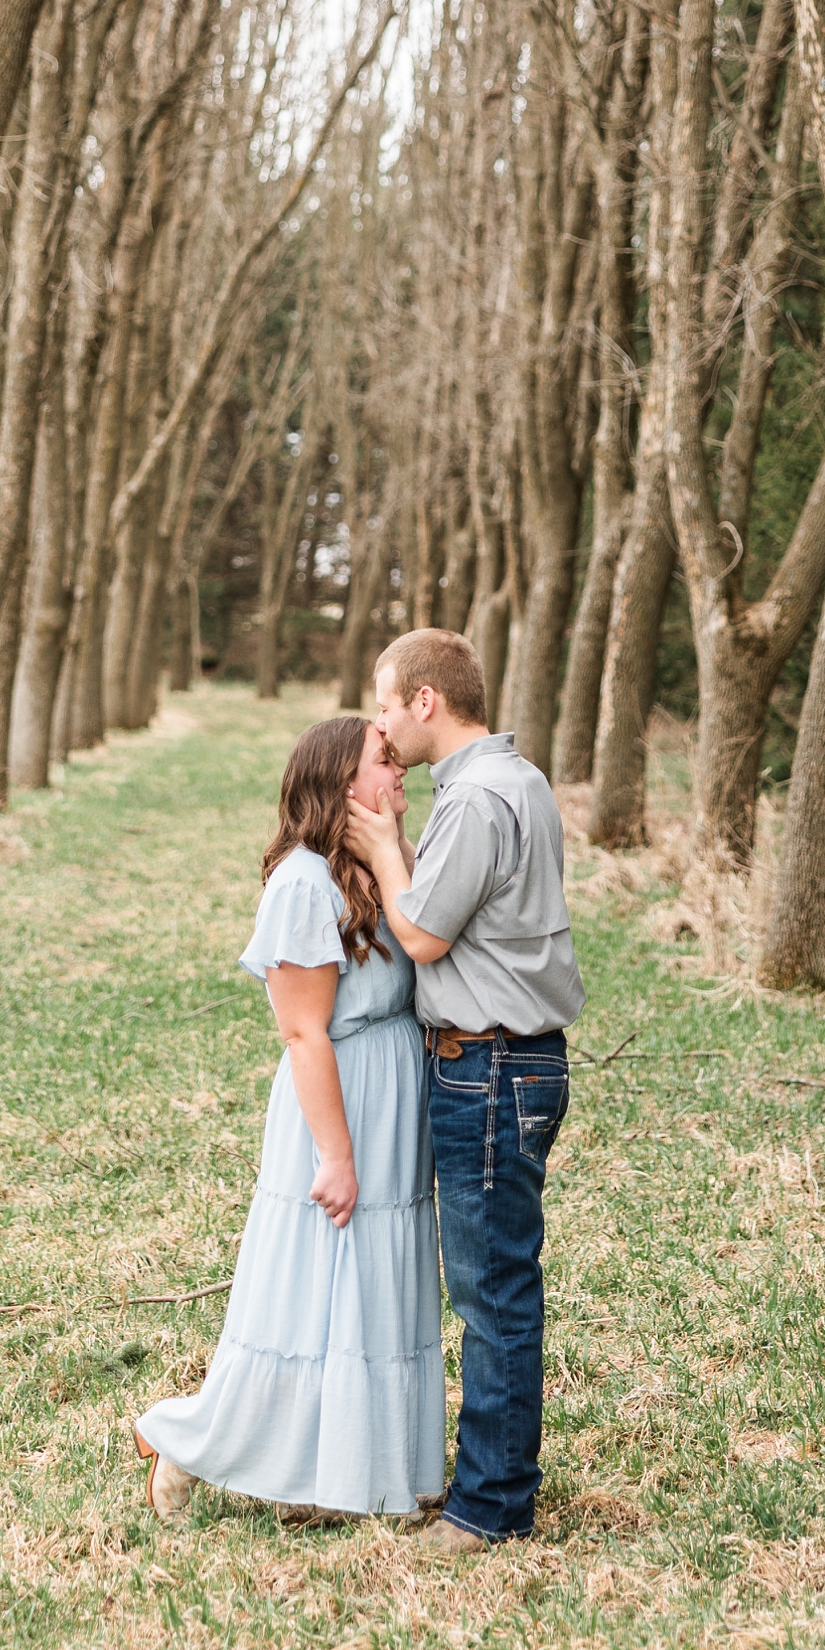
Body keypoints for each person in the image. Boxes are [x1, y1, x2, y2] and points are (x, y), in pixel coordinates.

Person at [131, 715, 445, 1524]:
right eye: (383, 761)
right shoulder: (304, 883)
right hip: (340, 1104)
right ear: (343, 783)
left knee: (373, 1288)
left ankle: (356, 1474)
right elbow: (304, 1032)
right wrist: (335, 1156)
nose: (400, 769)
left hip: (392, 1100)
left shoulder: (379, 867)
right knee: (310, 1294)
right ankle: (185, 1442)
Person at [345, 627, 584, 1554]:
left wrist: (382, 844)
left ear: (426, 700)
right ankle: (491, 1486)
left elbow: (423, 935)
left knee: (492, 1294)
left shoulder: (479, 798)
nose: (379, 723)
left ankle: (490, 1507)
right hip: (506, 1063)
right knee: (495, 1285)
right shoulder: (511, 781)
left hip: (491, 1066)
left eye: (385, 702)